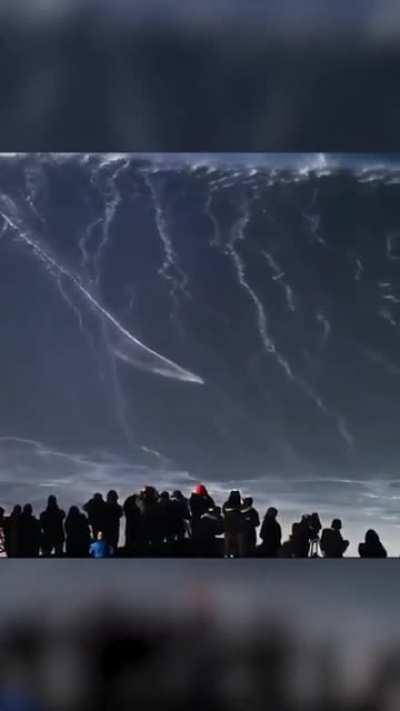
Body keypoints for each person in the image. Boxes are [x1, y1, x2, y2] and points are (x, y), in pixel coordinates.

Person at [223, 490, 246, 558]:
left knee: (231, 543)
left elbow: (224, 512)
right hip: (234, 527)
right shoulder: (239, 505)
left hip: (232, 526)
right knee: (235, 543)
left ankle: (230, 554)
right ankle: (232, 554)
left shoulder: (227, 504)